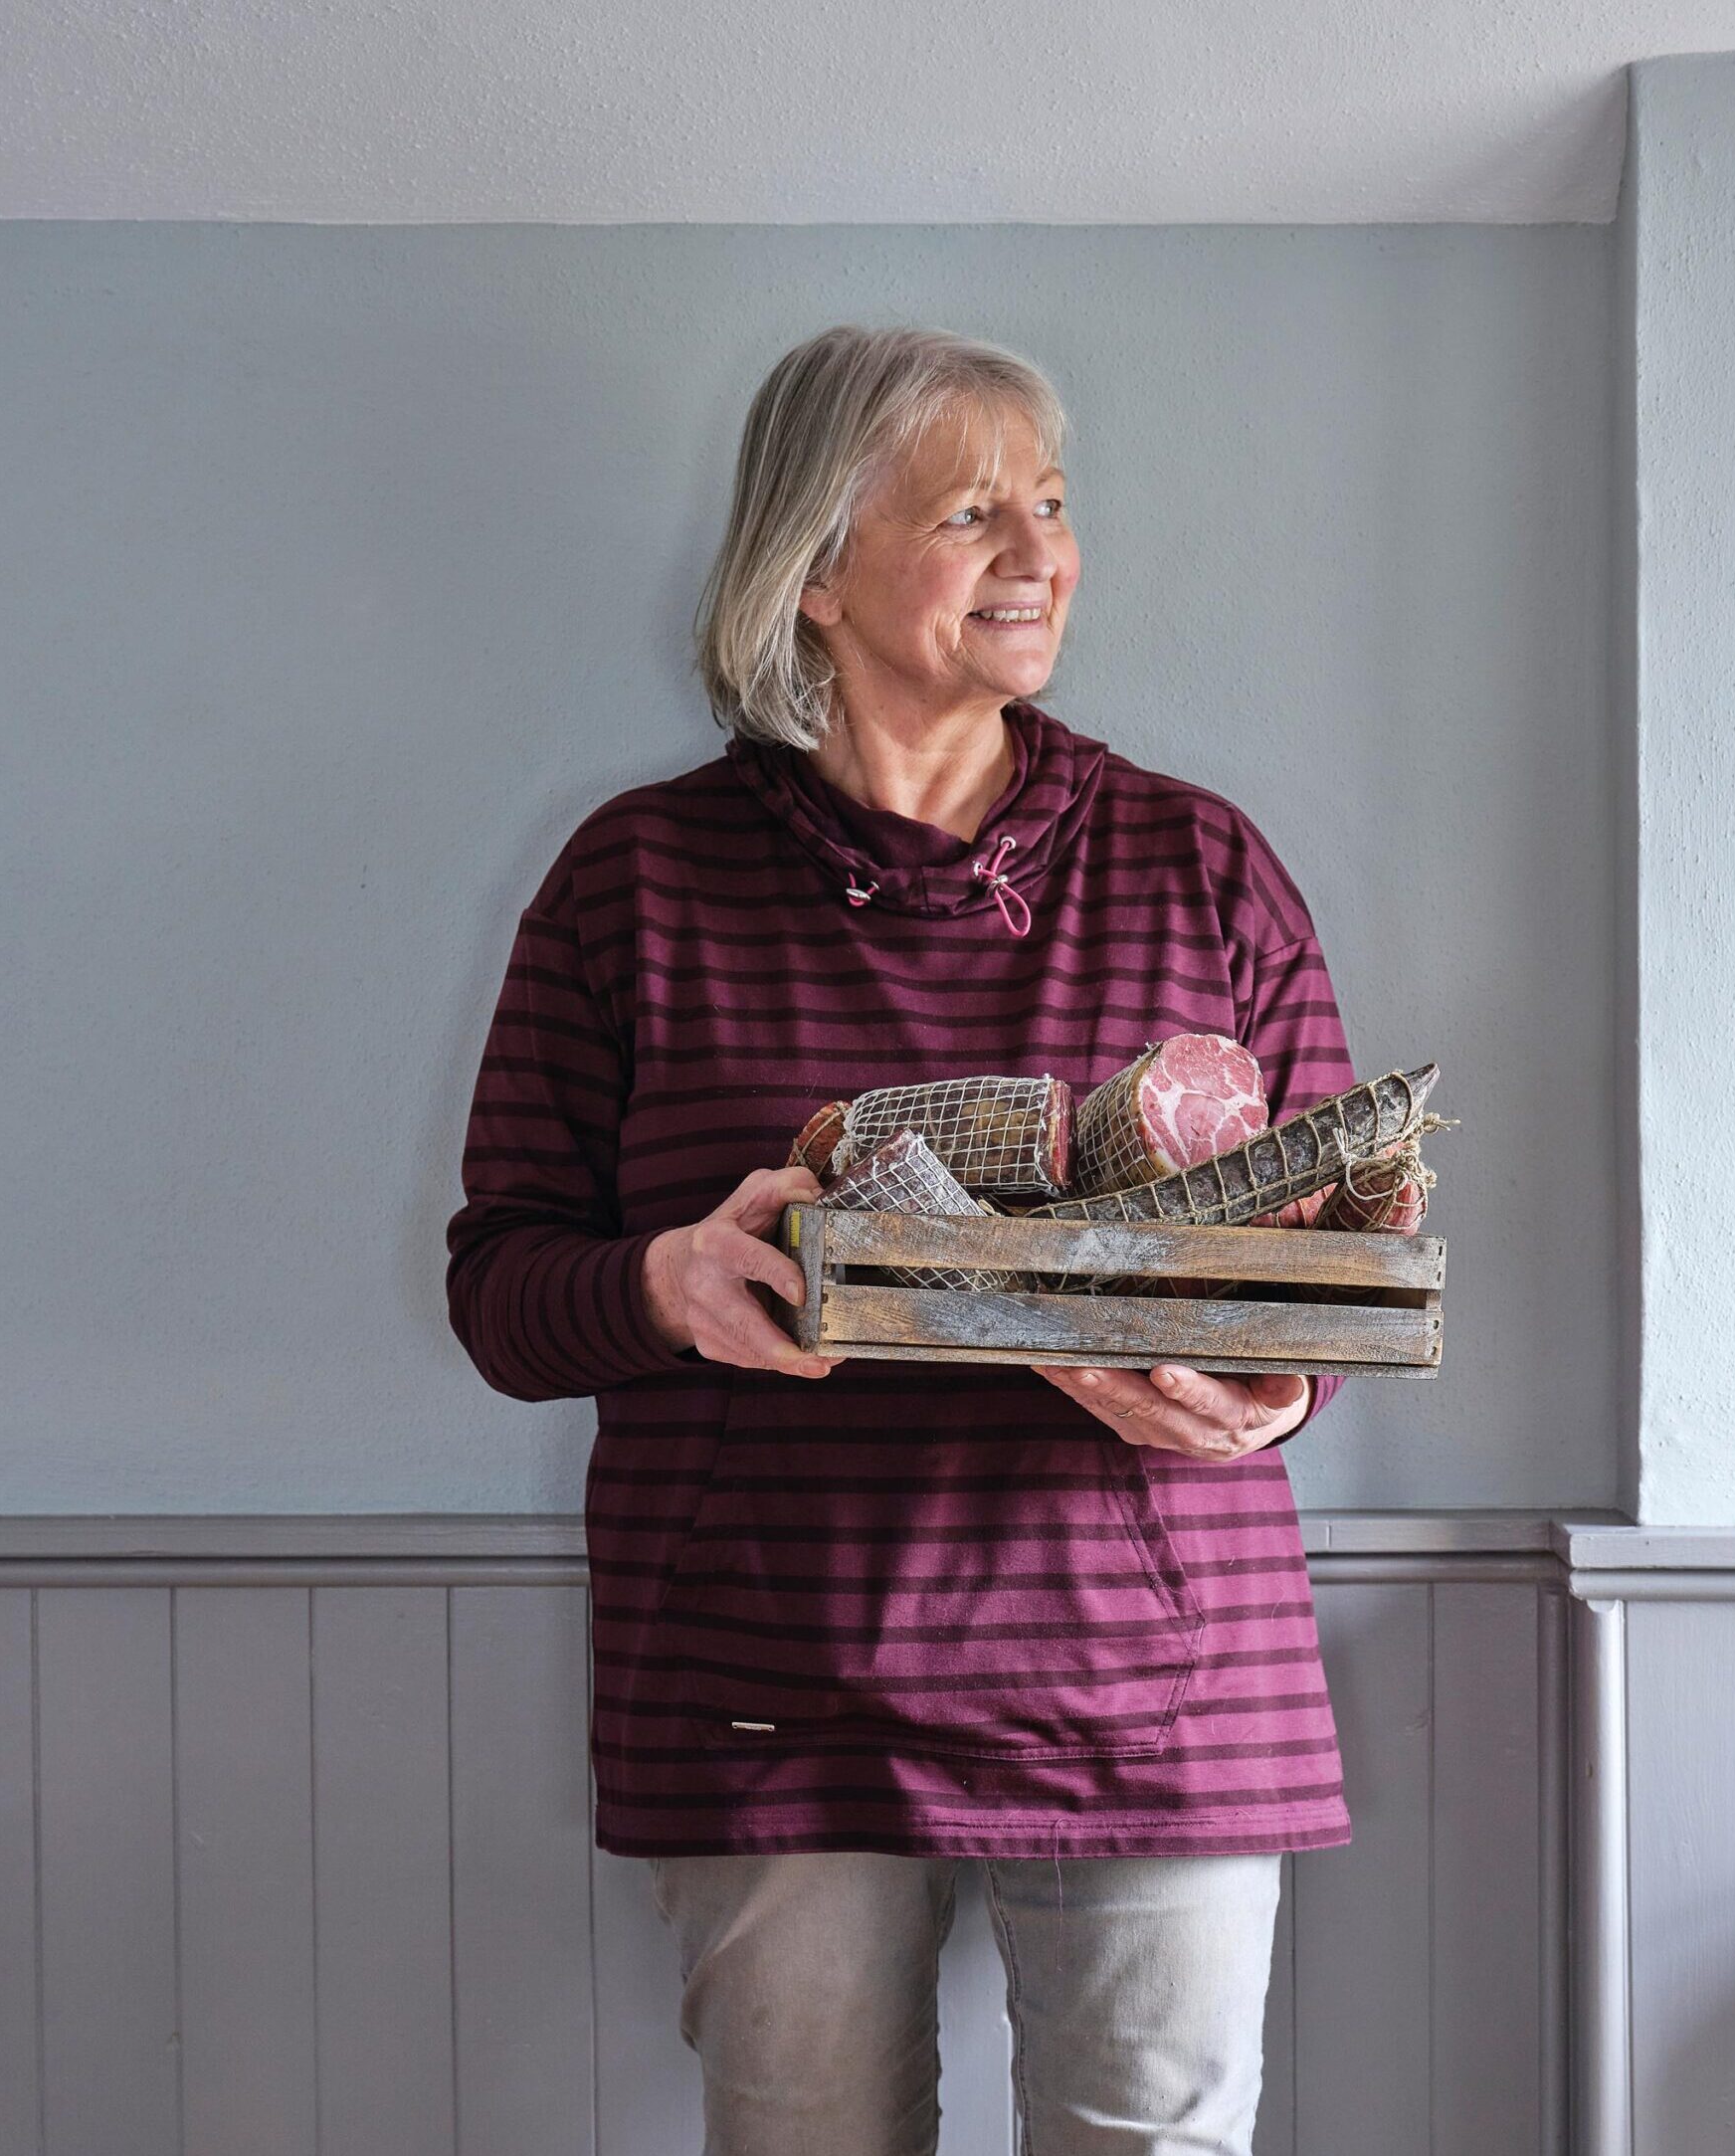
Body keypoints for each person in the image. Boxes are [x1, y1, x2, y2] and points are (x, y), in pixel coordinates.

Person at [446, 324, 1360, 2156]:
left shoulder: (1202, 868)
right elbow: (501, 1281)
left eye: (1053, 502)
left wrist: (1268, 1388)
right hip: (765, 1683)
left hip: (1158, 1682)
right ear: (811, 569)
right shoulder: (634, 883)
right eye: (970, 511)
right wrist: (662, 1283)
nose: (1042, 551)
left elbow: (1328, 1257)